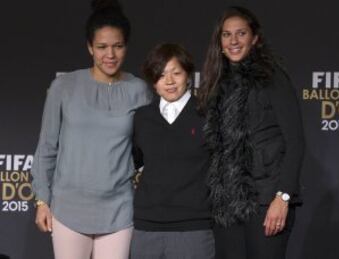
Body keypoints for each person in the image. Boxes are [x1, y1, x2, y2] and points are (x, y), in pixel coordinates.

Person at [30, 1, 151, 258]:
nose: (110, 54)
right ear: (89, 47)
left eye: (118, 46)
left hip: (119, 209)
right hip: (68, 209)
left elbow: (150, 147)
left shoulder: (138, 90)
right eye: (102, 47)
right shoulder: (64, 87)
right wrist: (42, 200)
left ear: (126, 46)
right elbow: (47, 147)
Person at [198, 6, 304, 259]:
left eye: (241, 33)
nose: (233, 41)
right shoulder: (215, 85)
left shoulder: (272, 78)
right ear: (219, 41)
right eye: (226, 35)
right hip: (226, 205)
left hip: (267, 200)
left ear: (255, 39)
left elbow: (296, 142)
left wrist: (283, 197)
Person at [130, 43, 215, 259]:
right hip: (146, 227)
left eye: (176, 73)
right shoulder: (142, 117)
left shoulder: (207, 114)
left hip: (193, 227)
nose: (169, 81)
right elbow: (133, 161)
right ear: (153, 82)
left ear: (188, 75)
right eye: (161, 75)